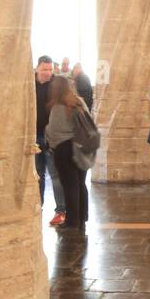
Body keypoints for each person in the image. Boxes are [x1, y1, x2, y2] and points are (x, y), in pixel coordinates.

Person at [46, 76, 89, 232]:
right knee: (80, 183)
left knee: (69, 185)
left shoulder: (58, 106)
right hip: (82, 147)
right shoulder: (80, 102)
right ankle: (82, 217)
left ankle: (72, 222)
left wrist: (48, 138)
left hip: (64, 149)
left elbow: (53, 131)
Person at [35, 55, 66, 226]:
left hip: (52, 137)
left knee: (55, 174)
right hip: (35, 136)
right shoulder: (30, 84)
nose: (47, 73)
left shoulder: (56, 85)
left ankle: (61, 211)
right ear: (37, 68)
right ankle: (37, 207)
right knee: (38, 174)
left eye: (49, 70)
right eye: (44, 69)